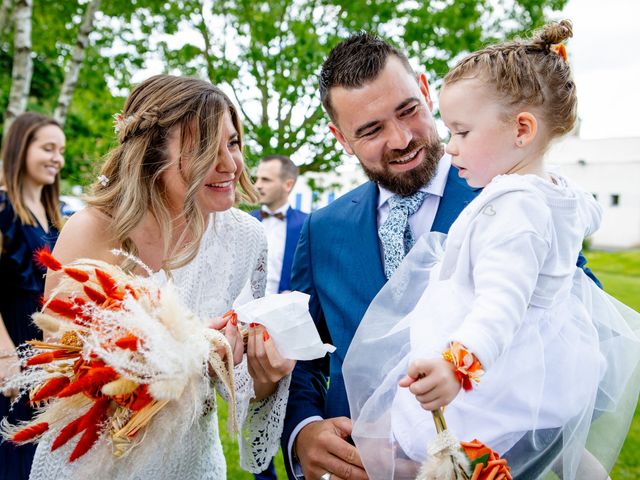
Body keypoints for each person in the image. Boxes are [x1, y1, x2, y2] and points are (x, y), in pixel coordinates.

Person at [282, 32, 603, 480]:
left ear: (425, 89)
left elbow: (574, 320)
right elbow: (300, 359)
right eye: (371, 130)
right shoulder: (321, 229)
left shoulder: (513, 194)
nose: (400, 139)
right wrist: (304, 432)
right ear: (340, 138)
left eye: (408, 110)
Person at [27, 75, 295, 480]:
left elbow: (235, 385)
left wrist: (264, 373)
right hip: (93, 463)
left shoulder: (244, 237)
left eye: (233, 142)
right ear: (152, 155)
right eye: (205, 148)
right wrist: (185, 347)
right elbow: (67, 370)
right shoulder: (93, 229)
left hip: (194, 462)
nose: (229, 164)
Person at [0, 112, 66, 480]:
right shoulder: (3, 207)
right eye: (47, 148)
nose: (57, 158)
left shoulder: (55, 215)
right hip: (11, 342)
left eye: (61, 150)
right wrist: (6, 356)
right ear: (21, 149)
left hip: (45, 348)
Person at [252, 154, 308, 296]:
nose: (257, 185)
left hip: (285, 314)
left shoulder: (307, 225)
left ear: (288, 185)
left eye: (266, 180)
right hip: (240, 313)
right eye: (256, 179)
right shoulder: (244, 221)